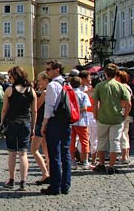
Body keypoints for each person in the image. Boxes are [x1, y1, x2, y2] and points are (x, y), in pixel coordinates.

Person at [0, 66, 36, 191]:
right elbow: (34, 111)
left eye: (10, 77)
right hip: (25, 122)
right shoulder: (31, 90)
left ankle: (11, 180)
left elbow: (4, 109)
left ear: (15, 76)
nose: (9, 79)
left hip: (12, 122)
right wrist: (33, 127)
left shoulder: (9, 90)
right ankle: (23, 181)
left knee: (12, 152)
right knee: (23, 153)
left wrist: (1, 123)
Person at [91, 63, 131, 175]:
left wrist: (95, 114)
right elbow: (128, 103)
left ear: (105, 73)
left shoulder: (100, 86)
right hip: (117, 118)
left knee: (101, 141)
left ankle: (101, 164)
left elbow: (95, 103)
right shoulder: (121, 86)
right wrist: (125, 115)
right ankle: (112, 166)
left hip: (103, 117)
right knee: (115, 141)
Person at [41, 61, 71, 195]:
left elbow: (49, 106)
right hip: (66, 121)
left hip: (55, 121)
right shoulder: (66, 83)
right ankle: (65, 185)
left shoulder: (53, 85)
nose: (47, 72)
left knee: (54, 154)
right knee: (65, 153)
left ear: (57, 70)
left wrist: (44, 123)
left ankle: (55, 186)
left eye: (49, 69)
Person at [31, 72, 50, 185]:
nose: (38, 82)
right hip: (45, 122)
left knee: (34, 149)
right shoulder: (46, 91)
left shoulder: (44, 93)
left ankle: (45, 173)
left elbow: (36, 107)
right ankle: (48, 173)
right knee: (47, 151)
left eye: (39, 80)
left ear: (45, 80)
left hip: (40, 122)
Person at [69, 76, 91, 170]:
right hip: (81, 121)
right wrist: (77, 111)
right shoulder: (83, 94)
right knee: (84, 141)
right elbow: (86, 108)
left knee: (71, 141)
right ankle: (85, 161)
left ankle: (72, 161)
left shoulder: (68, 94)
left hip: (70, 121)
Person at [115, 70, 133, 165]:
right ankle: (126, 155)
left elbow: (126, 102)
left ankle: (124, 156)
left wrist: (124, 114)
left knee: (123, 134)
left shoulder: (123, 87)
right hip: (126, 112)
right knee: (125, 134)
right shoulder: (127, 87)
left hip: (124, 112)